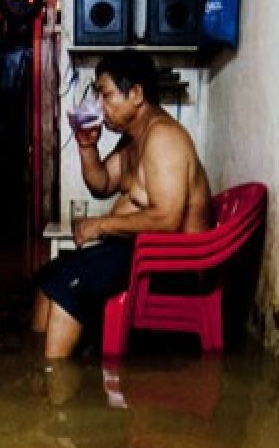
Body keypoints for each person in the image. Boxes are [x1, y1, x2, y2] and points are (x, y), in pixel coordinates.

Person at [32, 50, 213, 358]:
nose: (100, 106)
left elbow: (167, 219)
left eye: (106, 95)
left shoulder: (164, 138)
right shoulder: (134, 139)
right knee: (52, 273)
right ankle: (35, 366)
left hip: (168, 265)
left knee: (69, 283)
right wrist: (87, 146)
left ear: (136, 94)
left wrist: (101, 225)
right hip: (140, 253)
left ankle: (53, 383)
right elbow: (102, 184)